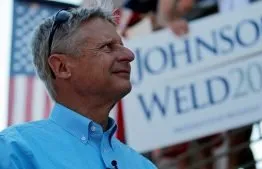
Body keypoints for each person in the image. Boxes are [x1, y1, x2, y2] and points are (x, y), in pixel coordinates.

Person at [0, 3, 157, 169]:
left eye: (122, 46)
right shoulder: (13, 151)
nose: (129, 55)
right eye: (107, 47)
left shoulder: (144, 166)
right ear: (62, 67)